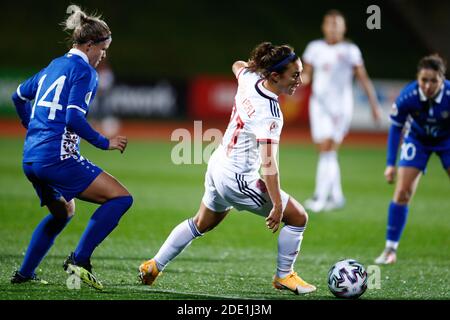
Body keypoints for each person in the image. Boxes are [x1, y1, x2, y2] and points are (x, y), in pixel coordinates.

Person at [139, 42, 316, 295]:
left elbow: (238, 65)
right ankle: (284, 275)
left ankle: (153, 266)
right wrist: (277, 205)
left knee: (201, 223)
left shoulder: (251, 78)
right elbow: (269, 165)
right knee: (298, 218)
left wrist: (253, 67)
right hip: (238, 180)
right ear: (275, 76)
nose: (300, 80)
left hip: (218, 164)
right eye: (295, 75)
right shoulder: (271, 113)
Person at [10, 5, 133, 290]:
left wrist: (30, 124)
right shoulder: (85, 72)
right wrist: (105, 142)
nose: (104, 55)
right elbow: (73, 118)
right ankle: (80, 260)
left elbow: (18, 95)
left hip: (31, 158)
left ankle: (24, 274)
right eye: (103, 49)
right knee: (121, 198)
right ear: (90, 45)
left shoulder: (53, 66)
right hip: (57, 158)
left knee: (63, 212)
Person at [301, 10, 382, 212]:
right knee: (324, 151)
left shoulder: (350, 50)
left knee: (328, 149)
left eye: (337, 24)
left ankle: (320, 197)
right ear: (324, 27)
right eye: (330, 24)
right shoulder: (314, 48)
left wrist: (374, 105)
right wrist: (291, 84)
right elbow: (307, 75)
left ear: (344, 28)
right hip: (318, 106)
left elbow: (362, 78)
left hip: (340, 107)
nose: (334, 28)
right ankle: (337, 196)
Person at [375, 54, 450, 264]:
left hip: (447, 140)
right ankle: (390, 250)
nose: (427, 85)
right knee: (402, 192)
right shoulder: (408, 96)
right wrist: (391, 163)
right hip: (417, 139)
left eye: (433, 80)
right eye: (423, 80)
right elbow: (396, 128)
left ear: (442, 79)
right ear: (418, 78)